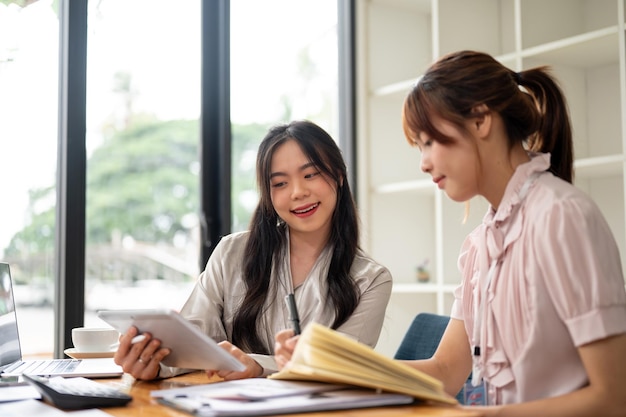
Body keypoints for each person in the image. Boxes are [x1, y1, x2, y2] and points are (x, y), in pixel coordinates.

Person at [276, 51, 626, 415]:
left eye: (429, 141)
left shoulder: (561, 217)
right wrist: (329, 371)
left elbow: (614, 398)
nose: (424, 162)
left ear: (480, 121)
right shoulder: (480, 245)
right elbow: (444, 373)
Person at [114, 120, 393, 381]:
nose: (297, 192)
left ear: (339, 176)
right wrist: (153, 363)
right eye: (280, 183)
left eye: (311, 174)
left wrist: (259, 366)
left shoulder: (370, 279)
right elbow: (194, 341)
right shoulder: (231, 253)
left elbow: (342, 367)